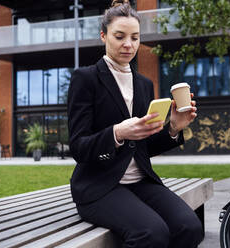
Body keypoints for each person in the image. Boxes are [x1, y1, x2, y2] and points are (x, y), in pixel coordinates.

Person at [67, 1, 203, 247]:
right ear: (103, 36)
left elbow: (143, 147)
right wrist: (117, 133)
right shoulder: (85, 79)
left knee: (190, 227)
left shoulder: (144, 84)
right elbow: (78, 146)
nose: (128, 44)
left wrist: (173, 127)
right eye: (119, 36)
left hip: (140, 182)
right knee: (152, 233)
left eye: (135, 37)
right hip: (100, 187)